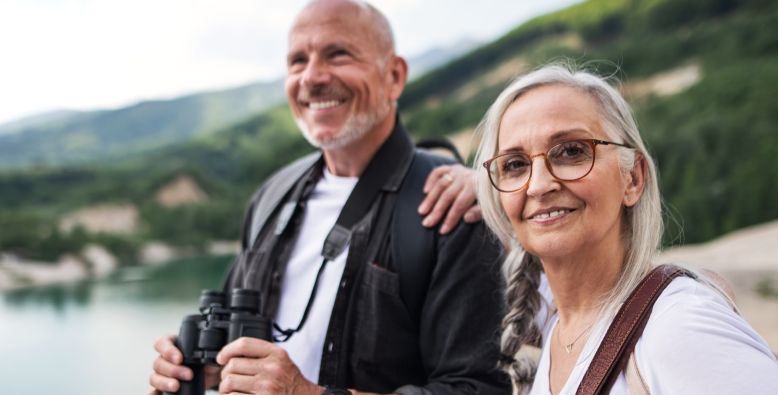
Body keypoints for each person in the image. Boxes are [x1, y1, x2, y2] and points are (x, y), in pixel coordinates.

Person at [148, 1, 509, 395]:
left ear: (394, 76)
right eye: (297, 60)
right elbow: (236, 342)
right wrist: (196, 366)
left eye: (338, 54)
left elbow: (477, 388)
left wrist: (308, 393)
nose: (312, 78)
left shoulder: (452, 204)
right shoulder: (272, 195)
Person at [472, 64, 778, 394]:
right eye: (515, 165)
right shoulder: (560, 329)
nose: (539, 185)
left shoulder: (680, 327)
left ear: (632, 178)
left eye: (572, 151)